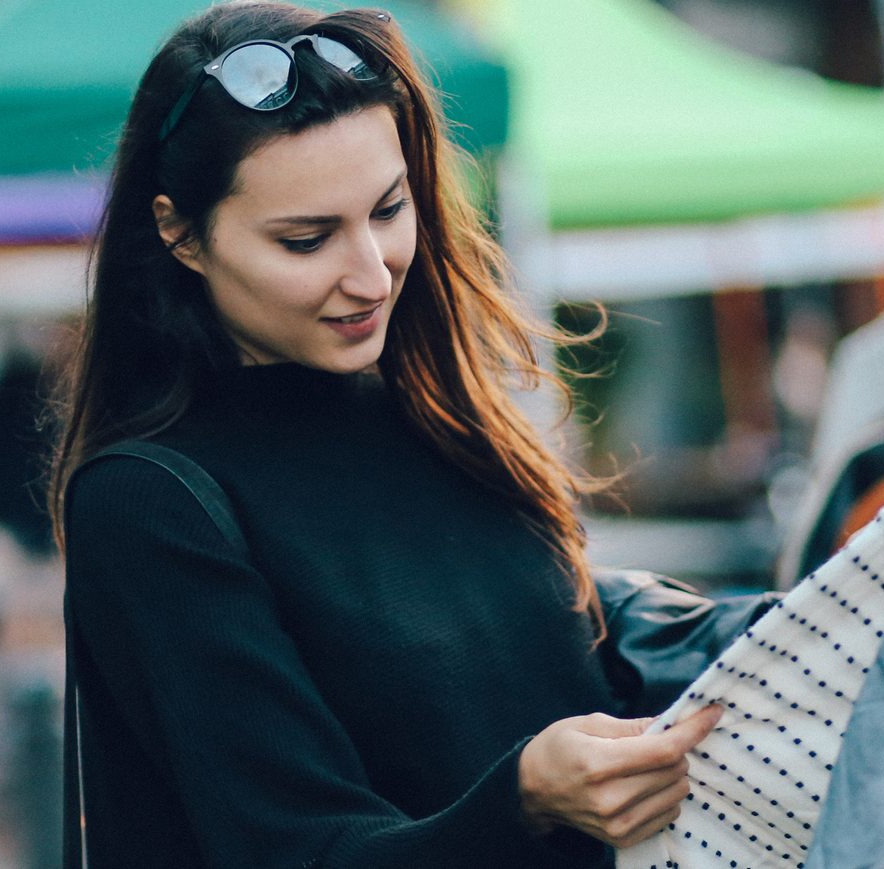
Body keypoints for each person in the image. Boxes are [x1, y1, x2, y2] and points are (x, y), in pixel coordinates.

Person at [47, 3, 721, 866]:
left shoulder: (445, 417)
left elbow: (573, 661)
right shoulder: (149, 501)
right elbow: (294, 848)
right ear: (180, 233)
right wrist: (520, 802)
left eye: (389, 208)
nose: (370, 273)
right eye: (306, 239)